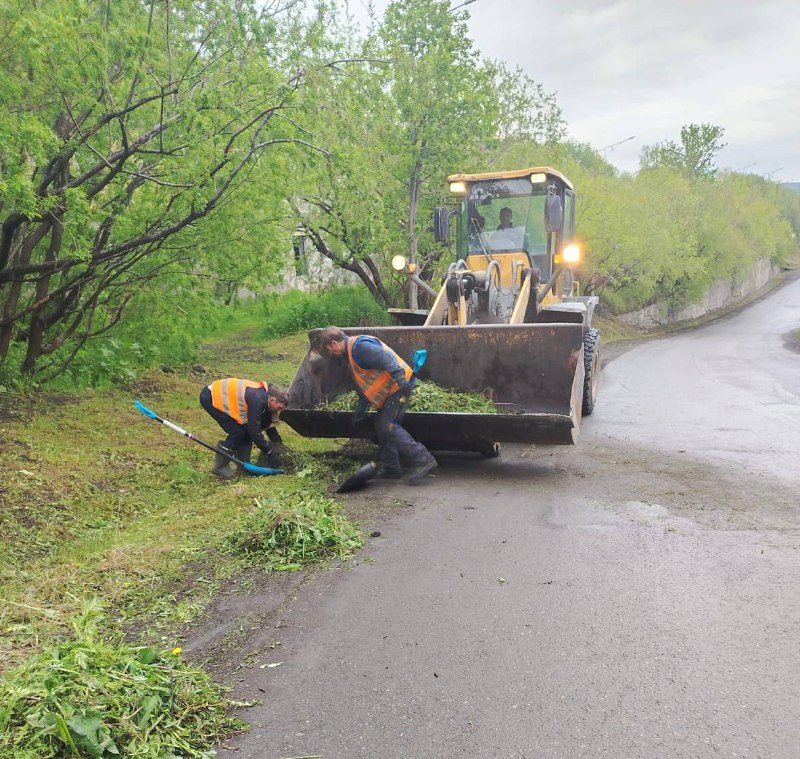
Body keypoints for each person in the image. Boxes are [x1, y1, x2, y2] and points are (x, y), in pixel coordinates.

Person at [318, 327, 438, 484]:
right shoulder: (351, 352)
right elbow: (365, 381)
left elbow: (386, 358)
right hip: (389, 390)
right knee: (381, 425)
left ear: (333, 343)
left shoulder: (360, 347)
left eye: (329, 349)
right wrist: (361, 408)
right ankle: (392, 467)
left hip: (399, 386)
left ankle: (423, 459)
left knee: (388, 426)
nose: (331, 353)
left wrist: (401, 380)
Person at [199, 378, 288, 479]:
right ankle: (220, 467)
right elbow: (254, 432)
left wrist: (277, 444)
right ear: (272, 400)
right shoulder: (257, 400)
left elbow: (267, 426)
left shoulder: (267, 398)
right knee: (237, 432)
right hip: (211, 397)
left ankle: (243, 466)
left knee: (245, 432)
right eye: (280, 408)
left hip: (226, 398)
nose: (279, 412)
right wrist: (269, 452)